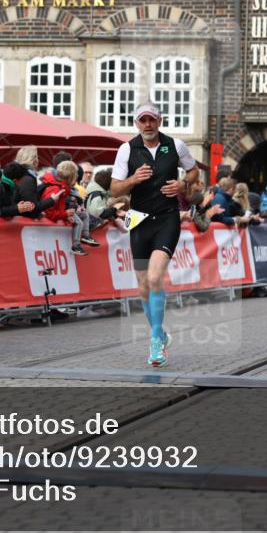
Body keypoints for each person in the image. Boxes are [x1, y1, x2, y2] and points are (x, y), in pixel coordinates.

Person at [110, 101, 198, 367]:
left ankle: (155, 344)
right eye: (142, 120)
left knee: (155, 276)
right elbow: (115, 190)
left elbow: (193, 171)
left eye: (152, 120)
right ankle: (160, 333)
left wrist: (182, 184)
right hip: (137, 219)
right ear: (136, 123)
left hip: (167, 218)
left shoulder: (176, 145)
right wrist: (133, 180)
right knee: (142, 284)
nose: (147, 125)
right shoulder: (127, 149)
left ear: (159, 121)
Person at [41, 160, 92, 255]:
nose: (77, 176)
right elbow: (48, 213)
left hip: (61, 218)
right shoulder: (55, 188)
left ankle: (85, 237)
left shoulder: (63, 188)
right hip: (48, 235)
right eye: (75, 174)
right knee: (79, 222)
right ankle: (76, 246)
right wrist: (65, 214)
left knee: (84, 215)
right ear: (70, 176)